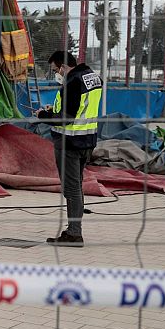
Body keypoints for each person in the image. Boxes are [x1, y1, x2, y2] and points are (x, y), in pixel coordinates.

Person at [37, 51, 102, 247]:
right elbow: (81, 108)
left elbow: (67, 118)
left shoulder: (72, 82)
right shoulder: (93, 77)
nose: (56, 74)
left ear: (64, 66)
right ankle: (74, 230)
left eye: (56, 70)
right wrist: (54, 110)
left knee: (71, 189)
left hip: (69, 143)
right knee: (77, 186)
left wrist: (43, 116)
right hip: (87, 140)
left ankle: (74, 234)